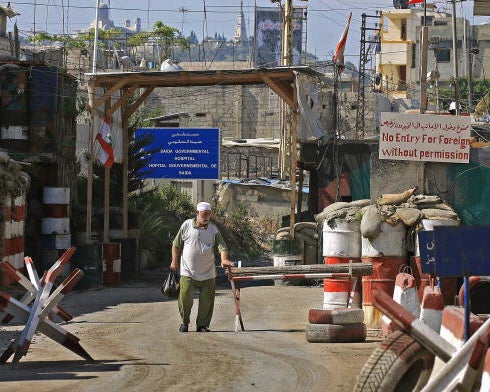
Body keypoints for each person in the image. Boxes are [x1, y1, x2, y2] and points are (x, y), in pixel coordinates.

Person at [170, 201, 234, 333]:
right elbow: (176, 244)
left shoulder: (213, 229)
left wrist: (224, 259)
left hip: (208, 272)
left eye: (208, 214)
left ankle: (202, 325)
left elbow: (222, 246)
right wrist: (174, 261)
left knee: (207, 300)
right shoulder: (186, 225)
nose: (206, 217)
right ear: (197, 213)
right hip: (188, 271)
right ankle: (184, 322)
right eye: (203, 214)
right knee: (185, 297)